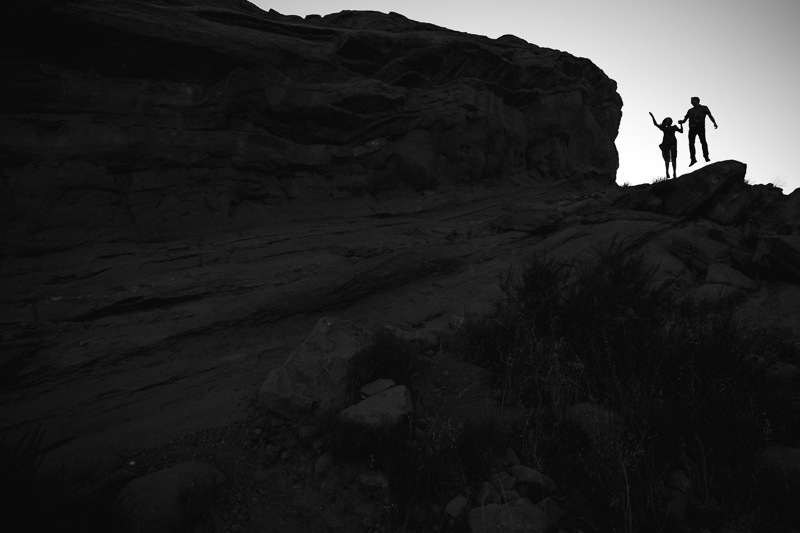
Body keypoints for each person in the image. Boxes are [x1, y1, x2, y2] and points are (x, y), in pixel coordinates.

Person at [678, 96, 718, 166]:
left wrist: (714, 123)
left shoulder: (704, 108)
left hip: (700, 127)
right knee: (691, 143)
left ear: (697, 100)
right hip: (692, 128)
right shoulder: (690, 110)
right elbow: (685, 119)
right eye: (691, 101)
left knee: (703, 141)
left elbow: (710, 115)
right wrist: (681, 121)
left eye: (692, 101)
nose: (691, 102)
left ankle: (706, 156)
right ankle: (693, 159)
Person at [649, 112, 683, 179]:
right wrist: (652, 116)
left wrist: (681, 124)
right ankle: (667, 172)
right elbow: (655, 124)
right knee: (667, 158)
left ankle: (674, 173)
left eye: (669, 120)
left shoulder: (674, 127)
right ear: (665, 122)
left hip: (673, 142)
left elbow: (681, 131)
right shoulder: (663, 128)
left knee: (674, 158)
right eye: (667, 120)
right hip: (666, 143)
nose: (668, 121)